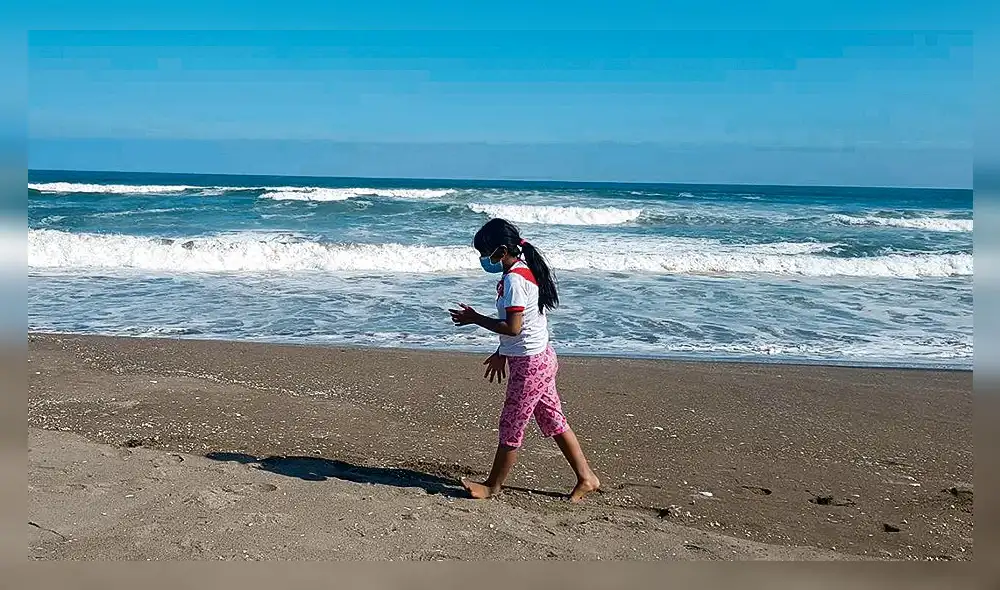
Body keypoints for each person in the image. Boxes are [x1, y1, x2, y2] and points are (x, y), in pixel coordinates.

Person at [449, 218, 600, 502]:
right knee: (554, 420)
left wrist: (474, 319)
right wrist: (501, 352)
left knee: (511, 424)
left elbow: (514, 328)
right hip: (538, 357)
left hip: (530, 365)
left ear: (502, 250)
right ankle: (587, 477)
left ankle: (492, 486)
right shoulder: (520, 272)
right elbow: (528, 325)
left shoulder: (516, 280)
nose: (483, 260)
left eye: (486, 253)